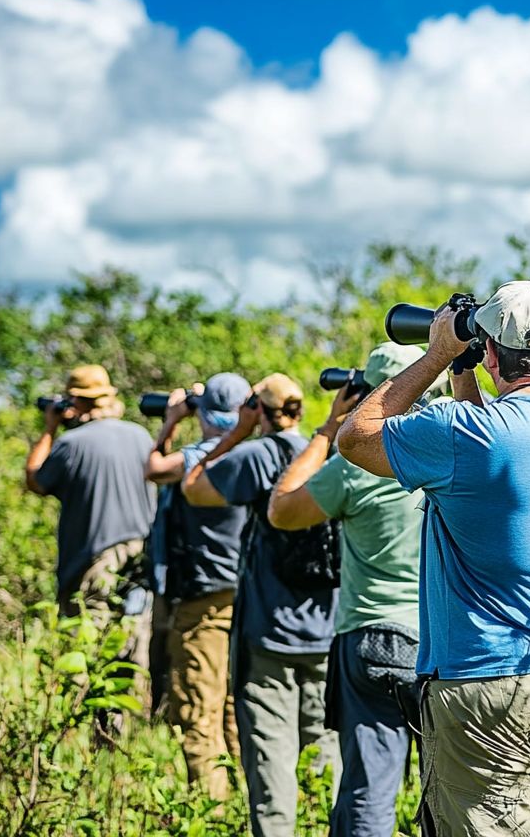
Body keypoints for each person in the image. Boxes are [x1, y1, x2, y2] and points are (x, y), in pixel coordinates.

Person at [337, 281, 530, 837]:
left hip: (482, 684)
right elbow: (487, 449)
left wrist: (438, 354)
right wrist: (465, 371)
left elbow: (354, 437)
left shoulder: (461, 436)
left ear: (491, 353)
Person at [270, 344, 427, 837]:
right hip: (438, 642)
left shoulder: (354, 461)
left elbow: (283, 510)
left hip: (370, 632)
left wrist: (326, 431)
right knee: (448, 790)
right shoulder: (445, 446)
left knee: (369, 788)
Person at [182, 373, 340, 837]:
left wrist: (236, 432)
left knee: (270, 754)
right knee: (325, 748)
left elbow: (193, 486)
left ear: (259, 409)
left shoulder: (256, 456)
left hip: (269, 630)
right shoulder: (329, 454)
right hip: (326, 629)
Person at [144, 372, 250, 799]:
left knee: (197, 709)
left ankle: (211, 812)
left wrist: (170, 420)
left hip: (201, 600)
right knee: (232, 708)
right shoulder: (256, 457)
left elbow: (153, 468)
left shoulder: (198, 460)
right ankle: (247, 803)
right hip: (243, 598)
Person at [25, 363, 155, 680]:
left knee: (89, 649)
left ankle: (92, 724)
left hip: (94, 561)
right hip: (140, 558)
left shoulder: (72, 444)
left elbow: (35, 480)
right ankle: (126, 724)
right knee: (130, 642)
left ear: (75, 402)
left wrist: (49, 428)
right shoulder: (141, 436)